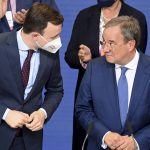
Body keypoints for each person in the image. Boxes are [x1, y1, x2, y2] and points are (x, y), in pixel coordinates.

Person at [65, 0, 148, 149]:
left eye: (111, 43)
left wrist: (136, 142)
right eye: (103, 42)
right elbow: (82, 109)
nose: (104, 49)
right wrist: (105, 135)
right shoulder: (94, 68)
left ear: (131, 44)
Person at [0, 3, 64, 150]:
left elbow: (56, 90)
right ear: (35, 36)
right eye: (54, 36)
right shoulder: (1, 45)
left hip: (30, 141)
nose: (58, 41)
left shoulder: (51, 51)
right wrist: (5, 113)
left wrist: (43, 113)